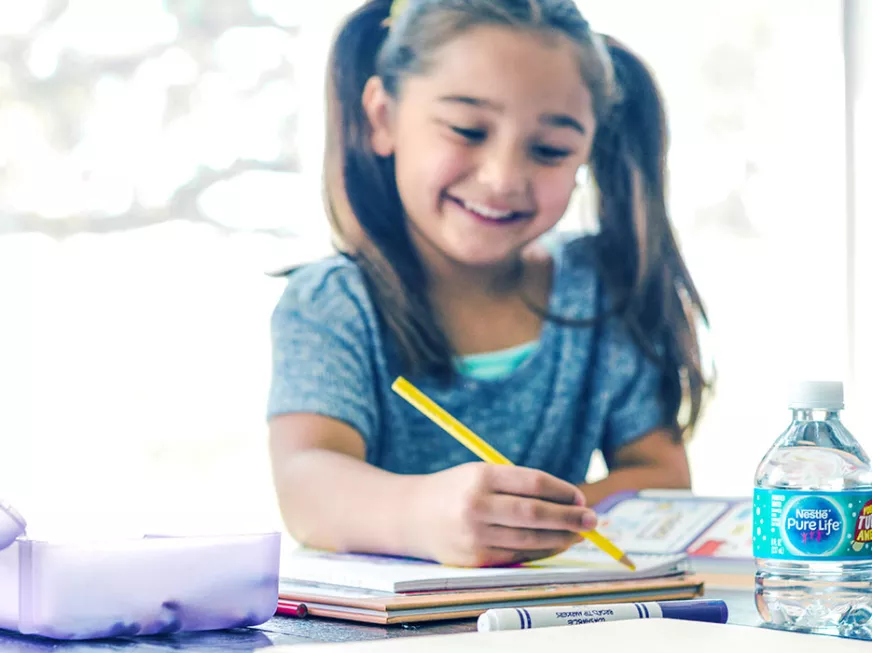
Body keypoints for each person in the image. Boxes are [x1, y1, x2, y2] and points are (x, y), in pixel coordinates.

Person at [267, 0, 712, 568]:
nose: (502, 178)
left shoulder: (602, 289)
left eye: (550, 150)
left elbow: (662, 477)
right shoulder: (332, 304)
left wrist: (527, 523)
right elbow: (306, 485)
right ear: (382, 117)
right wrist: (423, 515)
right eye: (467, 130)